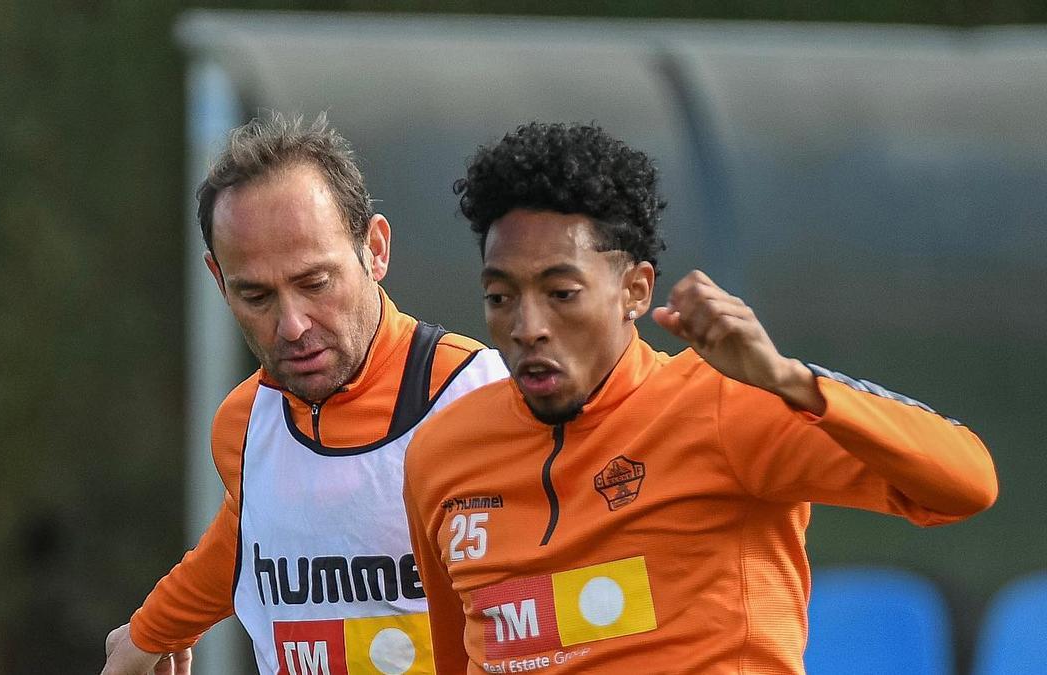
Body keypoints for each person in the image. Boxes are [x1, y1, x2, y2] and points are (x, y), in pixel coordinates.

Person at [402, 122, 998, 674]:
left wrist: (790, 381)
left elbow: (966, 484)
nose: (527, 325)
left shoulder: (729, 405)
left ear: (635, 290)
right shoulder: (443, 453)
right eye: (501, 296)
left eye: (561, 293)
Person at [101, 113, 507, 675]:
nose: (292, 325)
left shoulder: (484, 398)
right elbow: (251, 537)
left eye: (315, 282)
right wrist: (148, 634)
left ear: (376, 249)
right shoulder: (245, 423)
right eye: (256, 295)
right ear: (219, 281)